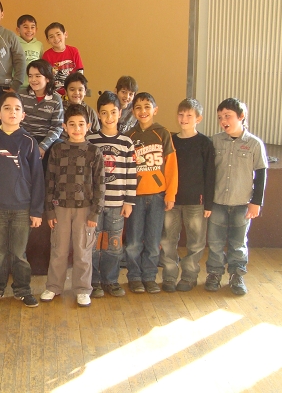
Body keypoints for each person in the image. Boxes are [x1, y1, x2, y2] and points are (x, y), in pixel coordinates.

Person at [0, 92, 45, 308]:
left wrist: (37, 211)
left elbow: (38, 179)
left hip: (23, 208)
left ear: (23, 115)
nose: (12, 112)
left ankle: (22, 290)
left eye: (17, 108)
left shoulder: (29, 142)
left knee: (18, 254)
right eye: (7, 108)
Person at [41, 104, 105, 307]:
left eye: (81, 124)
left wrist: (95, 213)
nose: (77, 128)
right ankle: (54, 286)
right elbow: (50, 180)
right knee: (58, 250)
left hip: (85, 209)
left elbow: (100, 185)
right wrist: (49, 210)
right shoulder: (58, 149)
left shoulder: (94, 152)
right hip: (60, 207)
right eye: (72, 124)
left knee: (83, 251)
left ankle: (83, 289)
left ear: (88, 126)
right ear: (64, 126)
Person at [205, 98, 267, 296]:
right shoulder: (215, 141)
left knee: (238, 243)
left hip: (242, 203)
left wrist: (256, 202)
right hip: (217, 202)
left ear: (241, 117)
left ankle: (236, 275)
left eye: (228, 116)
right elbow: (208, 172)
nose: (223, 121)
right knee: (215, 242)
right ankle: (214, 273)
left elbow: (261, 174)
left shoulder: (254, 144)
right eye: (220, 117)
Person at [160, 98, 215, 292]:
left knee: (196, 241)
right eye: (181, 114)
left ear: (198, 118)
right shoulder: (170, 140)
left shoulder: (205, 143)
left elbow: (210, 174)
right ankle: (169, 276)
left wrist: (208, 204)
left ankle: (189, 276)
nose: (184, 118)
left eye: (189, 115)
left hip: (196, 202)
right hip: (172, 200)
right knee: (168, 240)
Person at [125, 92, 178, 294]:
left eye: (147, 106)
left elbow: (171, 167)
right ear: (133, 111)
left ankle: (149, 277)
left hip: (158, 197)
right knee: (133, 242)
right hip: (135, 197)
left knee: (154, 242)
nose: (143, 111)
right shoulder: (129, 136)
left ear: (155, 110)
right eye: (138, 107)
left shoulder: (162, 134)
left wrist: (170, 194)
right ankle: (134, 277)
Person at [87, 92, 137, 298]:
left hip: (118, 203)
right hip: (94, 205)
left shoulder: (126, 142)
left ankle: (111, 280)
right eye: (104, 113)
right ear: (98, 114)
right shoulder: (90, 140)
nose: (109, 117)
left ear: (120, 113)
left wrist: (129, 201)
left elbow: (131, 173)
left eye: (113, 112)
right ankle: (94, 281)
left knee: (113, 245)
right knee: (93, 245)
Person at [19, 59, 64, 169]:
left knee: (60, 146)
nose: (33, 80)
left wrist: (43, 147)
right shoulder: (21, 95)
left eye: (38, 76)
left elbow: (57, 128)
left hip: (45, 139)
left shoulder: (56, 99)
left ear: (47, 78)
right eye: (30, 76)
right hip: (24, 138)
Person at [42, 22, 84, 96]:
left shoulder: (74, 51)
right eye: (51, 37)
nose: (56, 38)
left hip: (73, 93)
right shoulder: (47, 55)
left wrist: (76, 90)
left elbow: (80, 72)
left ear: (65, 34)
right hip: (55, 94)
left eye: (58, 34)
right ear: (47, 40)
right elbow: (46, 78)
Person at [61, 72, 100, 138]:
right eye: (72, 89)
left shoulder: (90, 111)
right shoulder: (59, 109)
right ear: (66, 92)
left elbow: (97, 133)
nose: (76, 93)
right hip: (64, 143)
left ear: (85, 92)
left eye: (80, 90)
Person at [16, 14, 44, 89]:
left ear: (36, 29)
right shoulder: (14, 43)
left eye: (32, 27)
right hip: (18, 85)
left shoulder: (39, 45)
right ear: (18, 30)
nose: (29, 30)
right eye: (25, 27)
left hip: (35, 85)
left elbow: (41, 64)